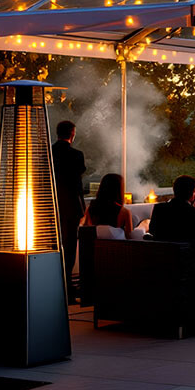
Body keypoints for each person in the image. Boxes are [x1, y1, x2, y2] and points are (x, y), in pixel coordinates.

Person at [51, 120, 86, 303]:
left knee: (52, 246)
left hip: (50, 206)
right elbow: (77, 184)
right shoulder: (76, 155)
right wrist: (82, 208)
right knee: (70, 247)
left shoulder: (48, 152)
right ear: (72, 133)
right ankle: (67, 288)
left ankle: (53, 284)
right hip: (71, 206)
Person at [148, 175, 195, 250]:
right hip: (188, 259)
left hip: (162, 257)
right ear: (193, 193)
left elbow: (152, 230)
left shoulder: (158, 209)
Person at [85, 173, 135, 238]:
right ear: (119, 189)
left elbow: (86, 229)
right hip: (116, 246)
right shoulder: (124, 212)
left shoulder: (90, 208)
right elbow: (129, 238)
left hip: (95, 245)